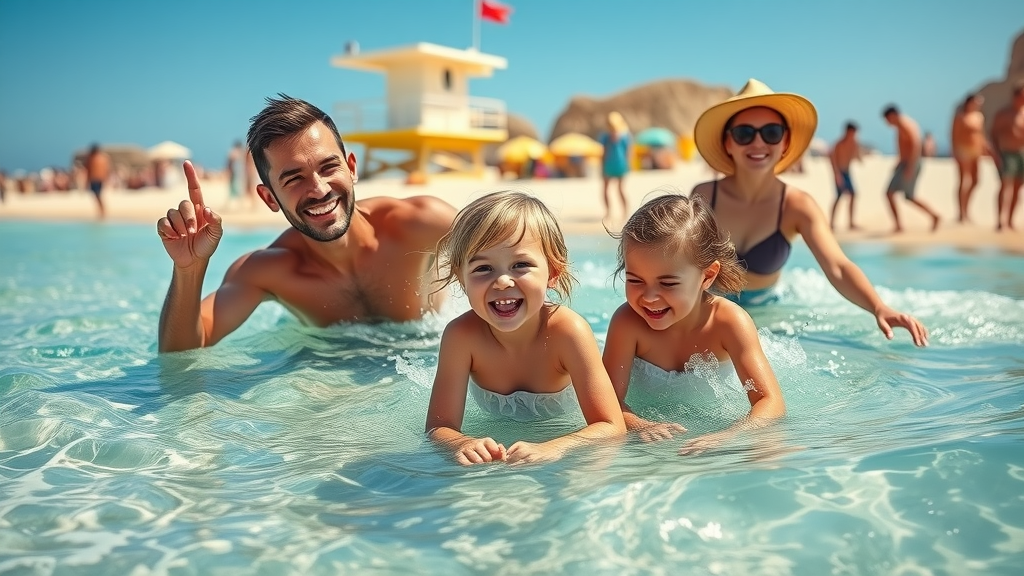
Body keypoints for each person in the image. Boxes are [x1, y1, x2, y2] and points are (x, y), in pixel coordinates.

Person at [155, 95, 457, 353]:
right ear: (269, 197)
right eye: (294, 178)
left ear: (351, 168)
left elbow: (502, 243)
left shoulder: (420, 224)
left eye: (329, 167)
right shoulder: (269, 271)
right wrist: (188, 270)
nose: (320, 189)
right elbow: (183, 351)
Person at [691, 79, 929, 346]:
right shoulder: (705, 196)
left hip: (767, 316)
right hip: (707, 308)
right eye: (744, 133)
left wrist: (878, 307)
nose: (758, 143)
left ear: (785, 142)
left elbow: (838, 266)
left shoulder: (797, 205)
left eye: (771, 133)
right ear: (728, 143)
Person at [425, 190, 626, 465]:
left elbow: (611, 426)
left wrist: (555, 447)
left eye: (521, 265)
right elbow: (438, 427)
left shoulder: (568, 332)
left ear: (553, 272)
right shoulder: (461, 337)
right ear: (461, 278)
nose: (503, 282)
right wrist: (462, 443)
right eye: (483, 268)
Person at [602, 194, 785, 455]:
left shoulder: (728, 322)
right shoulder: (627, 323)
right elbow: (608, 401)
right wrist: (639, 425)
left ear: (707, 276)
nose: (650, 297)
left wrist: (730, 436)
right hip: (658, 429)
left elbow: (770, 401)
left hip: (715, 425)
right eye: (635, 280)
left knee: (770, 454)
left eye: (667, 283)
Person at [881, 104, 941, 233]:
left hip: (910, 164)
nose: (887, 123)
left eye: (887, 120)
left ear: (892, 116)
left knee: (903, 195)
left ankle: (933, 216)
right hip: (905, 164)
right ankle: (901, 224)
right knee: (899, 195)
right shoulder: (900, 127)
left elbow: (916, 144)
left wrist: (910, 167)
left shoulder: (907, 125)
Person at [951, 93, 994, 223]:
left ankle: (967, 207)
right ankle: (961, 213)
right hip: (963, 151)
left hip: (976, 151)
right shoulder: (961, 117)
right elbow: (954, 135)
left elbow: (981, 135)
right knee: (964, 180)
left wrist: (987, 148)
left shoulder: (979, 117)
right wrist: (955, 153)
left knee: (976, 180)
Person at [990, 81, 1024, 231]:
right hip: (1006, 153)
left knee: (1017, 188)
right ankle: (1000, 221)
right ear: (1016, 96)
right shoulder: (1003, 114)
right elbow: (993, 135)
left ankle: (1010, 220)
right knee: (1005, 187)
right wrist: (996, 154)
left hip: (1021, 154)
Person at [829, 121, 863, 231]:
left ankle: (851, 222)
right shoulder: (839, 144)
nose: (854, 135)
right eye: (852, 132)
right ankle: (832, 223)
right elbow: (833, 160)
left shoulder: (854, 143)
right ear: (848, 131)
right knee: (839, 197)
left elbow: (857, 156)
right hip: (840, 172)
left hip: (847, 172)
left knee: (853, 195)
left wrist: (858, 154)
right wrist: (837, 175)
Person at [598, 111, 632, 222]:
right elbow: (604, 152)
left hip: (618, 165)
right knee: (608, 189)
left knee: (620, 189)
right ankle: (609, 212)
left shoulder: (624, 136)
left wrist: (628, 165)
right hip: (612, 165)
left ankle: (624, 212)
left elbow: (628, 152)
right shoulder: (606, 137)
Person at [85, 143, 111, 219]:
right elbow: (107, 170)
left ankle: (102, 211)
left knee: (97, 195)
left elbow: (88, 171)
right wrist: (106, 179)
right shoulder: (104, 158)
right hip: (100, 179)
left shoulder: (91, 159)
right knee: (98, 195)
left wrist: (87, 182)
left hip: (94, 179)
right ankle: (102, 211)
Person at [225, 140, 247, 211]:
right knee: (236, 188)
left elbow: (229, 163)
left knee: (235, 188)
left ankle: (239, 205)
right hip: (236, 172)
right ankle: (240, 205)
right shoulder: (236, 153)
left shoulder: (234, 152)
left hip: (236, 172)